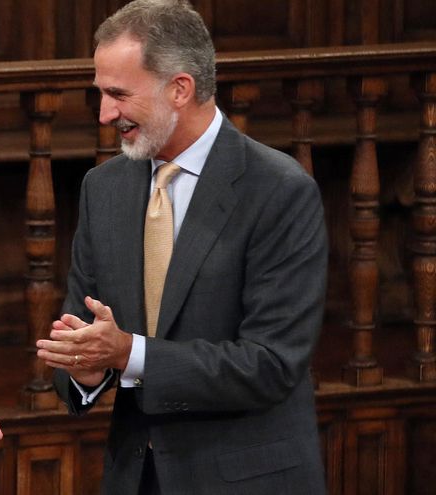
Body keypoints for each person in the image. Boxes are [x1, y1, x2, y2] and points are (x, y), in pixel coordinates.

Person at [35, 1, 328, 493]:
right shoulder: (102, 189)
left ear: (179, 89)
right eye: (100, 94)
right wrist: (85, 367)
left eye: (118, 94)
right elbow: (82, 335)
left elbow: (271, 364)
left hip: (243, 479)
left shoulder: (278, 190)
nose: (105, 114)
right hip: (136, 477)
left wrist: (127, 353)